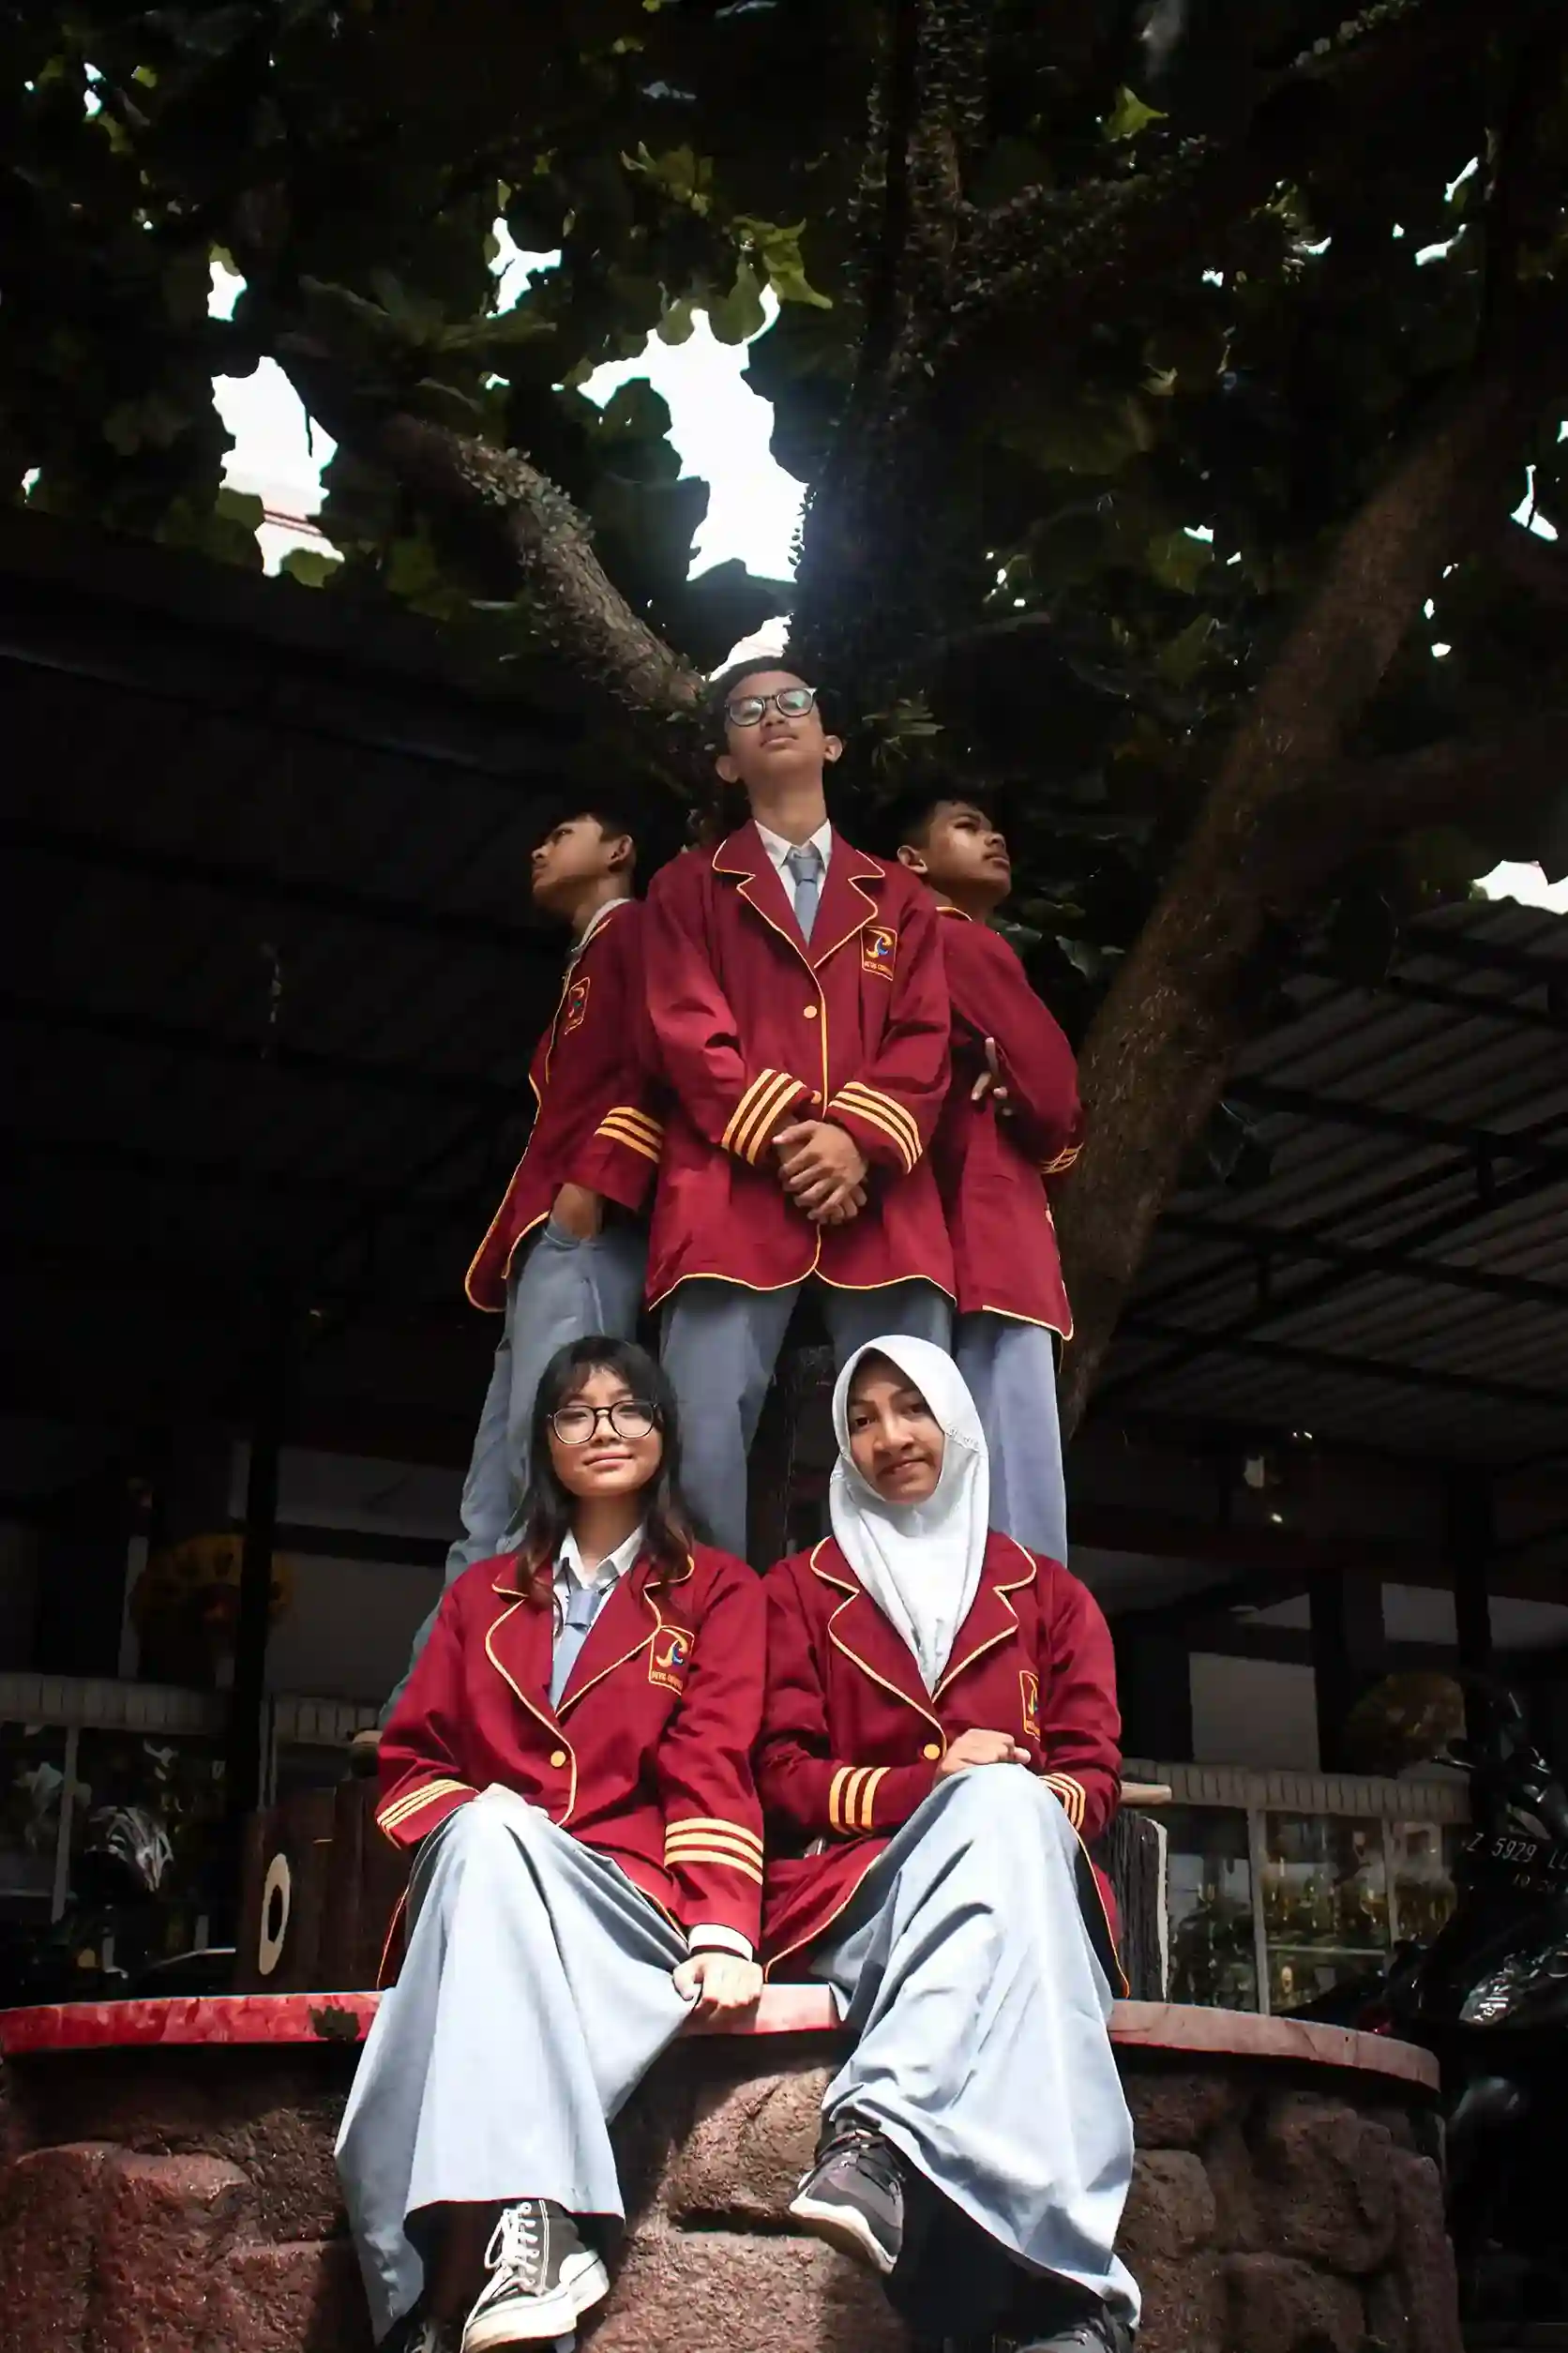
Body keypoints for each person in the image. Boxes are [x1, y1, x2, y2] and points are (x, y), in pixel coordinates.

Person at [338, 1337, 765, 2353]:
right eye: (576, 1412)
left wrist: (721, 1925)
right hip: (488, 1878)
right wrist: (497, 1834)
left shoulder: (717, 1592)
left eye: (628, 1408)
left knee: (493, 1840)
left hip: (623, 1901)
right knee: (490, 1830)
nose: (604, 1429)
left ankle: (424, 2293)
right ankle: (534, 2227)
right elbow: (413, 1764)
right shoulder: (480, 1594)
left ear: (664, 1432)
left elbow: (712, 1762)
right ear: (544, 1442)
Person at [758, 1336, 1137, 2353]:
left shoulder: (1051, 1597)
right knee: (1034, 1949)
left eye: (912, 1408)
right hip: (863, 1894)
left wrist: (999, 1804)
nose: (890, 1437)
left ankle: (878, 2133)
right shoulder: (796, 1591)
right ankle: (1077, 2293)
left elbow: (1092, 1777)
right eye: (862, 1419)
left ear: (958, 1421)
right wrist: (934, 1788)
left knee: (1007, 1811)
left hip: (1026, 1878)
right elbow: (780, 1772)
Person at [644, 659, 955, 1560]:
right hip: (729, 1194)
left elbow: (925, 1038)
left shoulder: (900, 896)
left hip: (882, 1200)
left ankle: (920, 1633)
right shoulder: (685, 889)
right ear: (727, 762)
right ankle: (701, 1642)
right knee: (699, 1439)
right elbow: (685, 1032)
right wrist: (800, 1142)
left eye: (793, 703)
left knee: (917, 1437)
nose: (773, 716)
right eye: (747, 710)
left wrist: (855, 1142)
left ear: (832, 741)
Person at [373, 802, 663, 1734]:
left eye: (562, 833)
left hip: (579, 1231)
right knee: (494, 1489)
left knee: (553, 1468)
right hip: (540, 1238)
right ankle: (431, 1699)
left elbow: (651, 1061)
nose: (539, 848)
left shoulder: (634, 935)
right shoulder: (588, 956)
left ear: (618, 850)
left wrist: (594, 1183)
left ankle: (504, 1700)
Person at [890, 791, 1082, 1562]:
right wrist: (1045, 1125)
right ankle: (1031, 1622)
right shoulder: (962, 941)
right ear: (913, 861)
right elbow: (1054, 1090)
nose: (993, 836)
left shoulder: (898, 953)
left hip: (930, 1230)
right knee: (1015, 1464)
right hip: (992, 1217)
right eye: (966, 827)